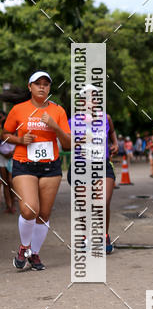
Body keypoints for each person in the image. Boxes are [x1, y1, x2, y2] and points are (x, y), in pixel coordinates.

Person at [3, 71, 71, 270]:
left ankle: (34, 254)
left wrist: (55, 127)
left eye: (46, 84)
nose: (42, 87)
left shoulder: (58, 111)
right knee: (29, 209)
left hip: (51, 166)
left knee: (44, 214)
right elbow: (5, 134)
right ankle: (25, 246)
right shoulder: (18, 110)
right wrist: (19, 140)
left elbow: (67, 145)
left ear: (49, 88)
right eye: (38, 83)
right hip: (24, 163)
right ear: (29, 87)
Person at [67, 97, 119, 254]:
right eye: (87, 98)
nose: (91, 101)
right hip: (81, 166)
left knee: (102, 202)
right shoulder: (72, 121)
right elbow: (64, 142)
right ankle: (83, 238)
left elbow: (112, 132)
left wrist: (115, 143)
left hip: (102, 166)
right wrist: (81, 140)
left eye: (94, 98)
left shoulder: (106, 117)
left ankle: (104, 235)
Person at [0, 113, 16, 214]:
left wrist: (12, 154)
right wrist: (3, 154)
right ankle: (8, 206)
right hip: (2, 158)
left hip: (13, 159)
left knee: (11, 182)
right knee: (5, 183)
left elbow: (20, 144)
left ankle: (13, 204)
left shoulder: (16, 132)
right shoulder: (1, 133)